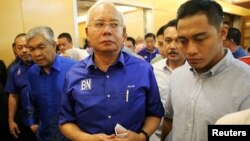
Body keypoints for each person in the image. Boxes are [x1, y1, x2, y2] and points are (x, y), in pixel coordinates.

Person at [58, 1, 164, 141]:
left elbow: (155, 113)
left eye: (114, 24)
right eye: (99, 24)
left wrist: (141, 136)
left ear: (124, 33)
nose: (107, 30)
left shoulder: (143, 69)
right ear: (88, 33)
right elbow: (65, 121)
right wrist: (85, 138)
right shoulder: (73, 74)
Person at [163, 1, 250, 141]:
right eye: (183, 40)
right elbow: (169, 119)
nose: (190, 50)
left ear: (222, 33)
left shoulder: (246, 83)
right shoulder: (177, 75)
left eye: (200, 39)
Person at [26, 26, 77, 141]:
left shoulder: (74, 68)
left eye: (41, 47)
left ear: (54, 45)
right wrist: (32, 123)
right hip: (44, 135)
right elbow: (31, 100)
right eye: (32, 49)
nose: (36, 54)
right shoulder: (32, 73)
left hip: (71, 136)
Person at [151, 19, 186, 141]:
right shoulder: (152, 70)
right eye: (168, 41)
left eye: (178, 40)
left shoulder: (196, 72)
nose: (172, 46)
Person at [5, 33, 36, 141]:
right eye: (20, 47)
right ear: (16, 50)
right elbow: (13, 96)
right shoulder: (13, 70)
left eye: (27, 46)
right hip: (25, 121)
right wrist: (11, 120)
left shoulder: (42, 64)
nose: (24, 50)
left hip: (46, 120)